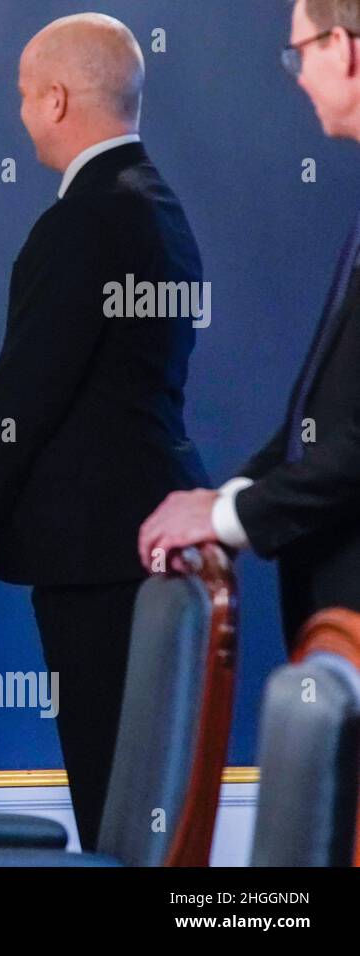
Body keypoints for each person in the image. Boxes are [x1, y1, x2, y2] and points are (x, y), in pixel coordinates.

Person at [0, 13, 209, 850]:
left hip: (96, 548)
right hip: (142, 528)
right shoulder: (159, 206)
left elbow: (25, 393)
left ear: (58, 99)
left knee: (111, 790)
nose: (23, 114)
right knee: (142, 790)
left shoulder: (82, 222)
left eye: (27, 97)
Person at [139, 0, 360, 648]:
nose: (294, 74)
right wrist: (228, 500)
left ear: (346, 49)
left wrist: (230, 514)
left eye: (301, 51)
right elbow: (322, 417)